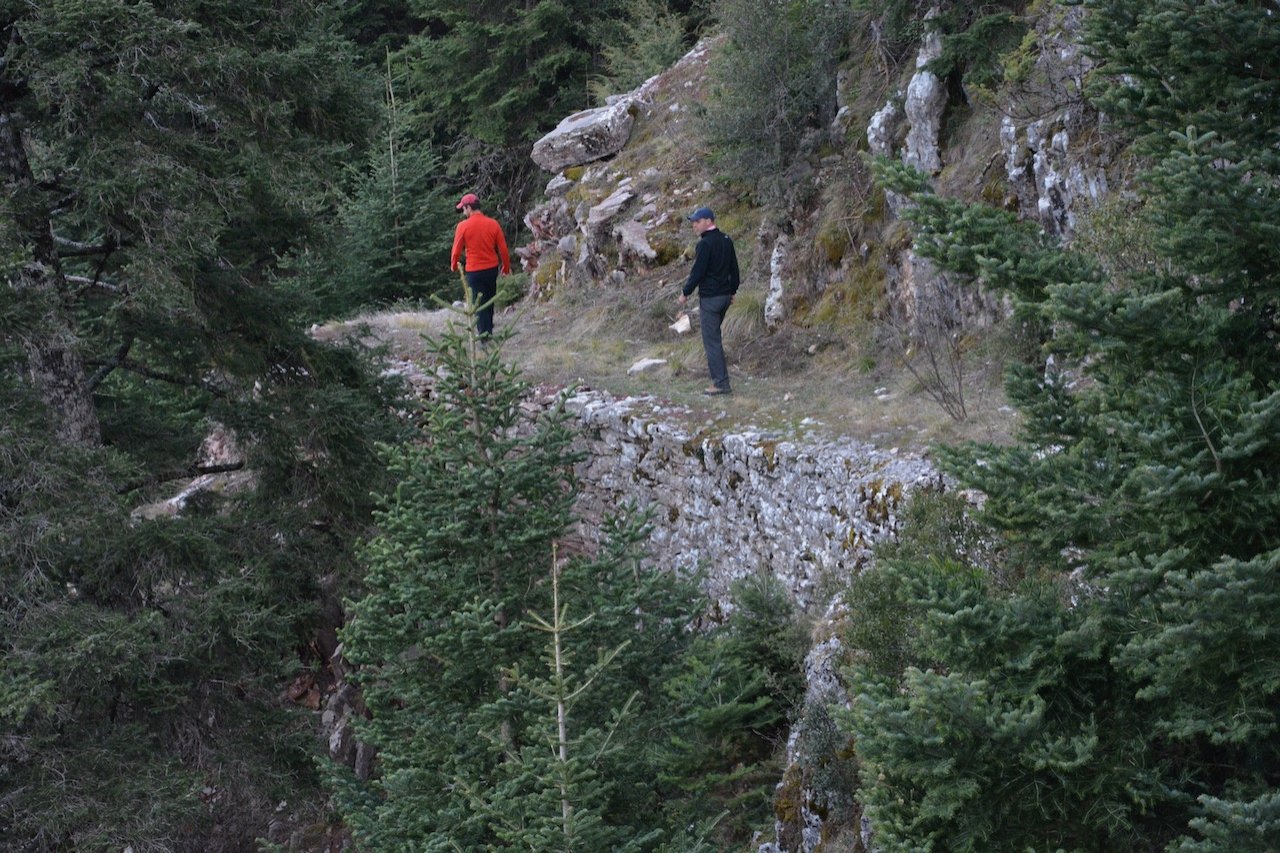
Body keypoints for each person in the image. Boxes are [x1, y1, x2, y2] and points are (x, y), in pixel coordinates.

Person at [678, 206, 740, 395]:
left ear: (708, 221)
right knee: (715, 339)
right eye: (693, 222)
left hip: (710, 300)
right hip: (724, 298)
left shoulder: (704, 245)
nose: (694, 226)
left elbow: (698, 272)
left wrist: (685, 292)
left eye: (697, 222)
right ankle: (720, 380)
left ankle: (721, 384)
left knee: (712, 342)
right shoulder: (726, 240)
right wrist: (732, 291)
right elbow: (734, 270)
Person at [450, 192, 511, 338]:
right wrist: (506, 267)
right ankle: (488, 332)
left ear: (469, 208)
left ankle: (483, 337)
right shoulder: (493, 224)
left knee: (478, 303)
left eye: (463, 209)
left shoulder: (463, 226)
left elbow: (456, 250)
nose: (463, 213)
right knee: (489, 301)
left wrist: (454, 265)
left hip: (474, 271)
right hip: (491, 269)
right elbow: (503, 249)